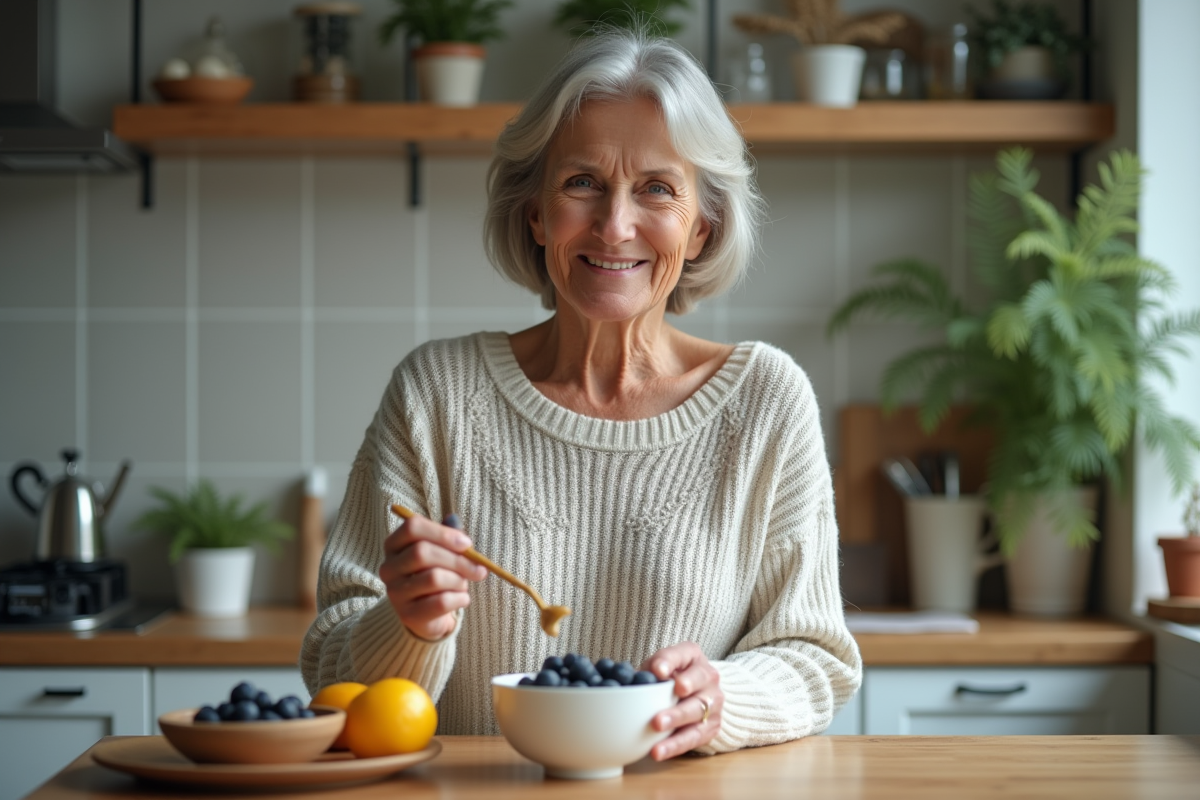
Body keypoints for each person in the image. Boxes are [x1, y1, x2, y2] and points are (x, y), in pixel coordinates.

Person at [301, 29, 861, 758]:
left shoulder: (766, 401)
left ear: (701, 228)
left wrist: (725, 698)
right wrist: (406, 625)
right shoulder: (435, 394)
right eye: (582, 183)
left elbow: (813, 654)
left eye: (657, 188)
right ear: (536, 214)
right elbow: (328, 664)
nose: (615, 224)